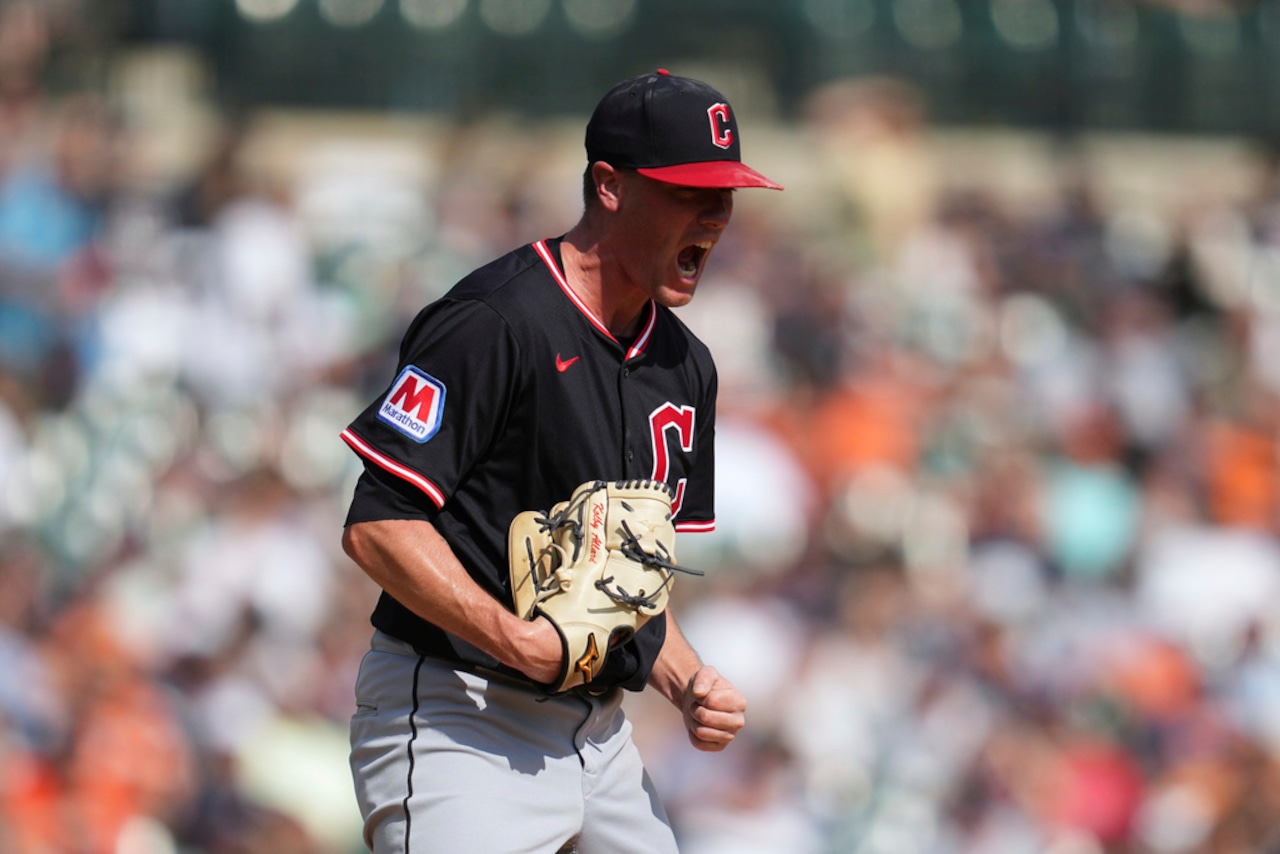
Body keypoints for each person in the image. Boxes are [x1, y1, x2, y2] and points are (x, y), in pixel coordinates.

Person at [339, 68, 782, 853]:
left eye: (726, 193)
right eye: (690, 190)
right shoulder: (493, 321)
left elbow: (625, 583)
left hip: (601, 737)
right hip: (459, 716)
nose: (716, 212)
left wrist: (686, 680)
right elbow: (379, 526)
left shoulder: (686, 366)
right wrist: (514, 638)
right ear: (609, 186)